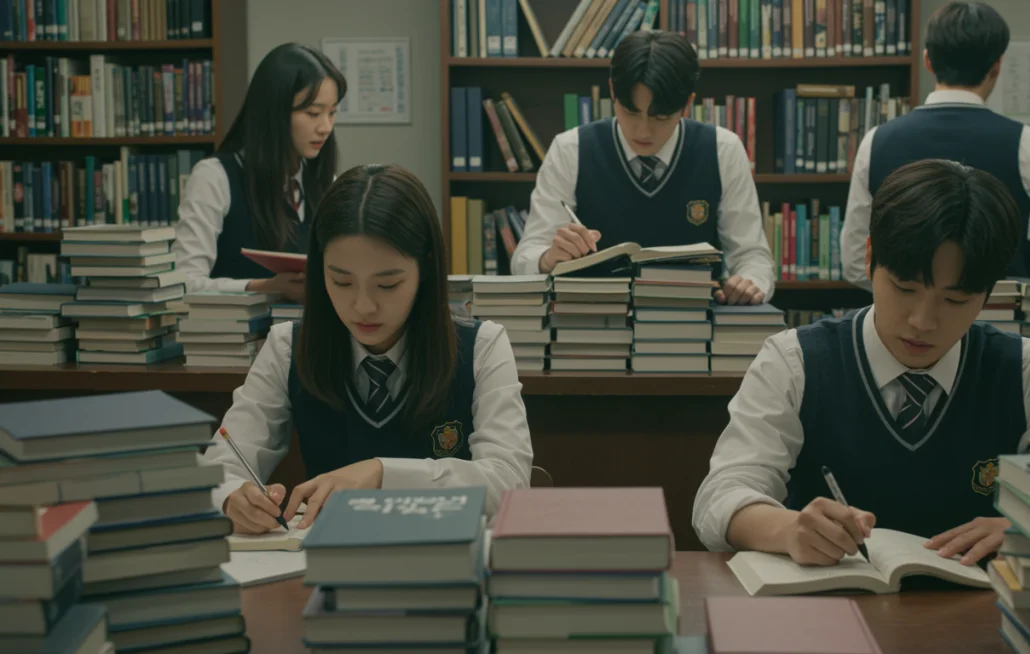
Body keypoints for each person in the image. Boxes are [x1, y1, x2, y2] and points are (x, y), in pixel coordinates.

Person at [692, 159, 1030, 568]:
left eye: (954, 301)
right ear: (870, 257)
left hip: (981, 616)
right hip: (832, 613)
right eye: (904, 288)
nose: (922, 322)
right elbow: (721, 496)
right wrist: (787, 529)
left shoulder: (1029, 373)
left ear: (988, 292)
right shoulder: (794, 361)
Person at [203, 164, 534, 533]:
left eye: (387, 285)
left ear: (424, 269)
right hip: (324, 569)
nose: (363, 307)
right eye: (341, 282)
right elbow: (219, 469)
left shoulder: (482, 347)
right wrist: (232, 497)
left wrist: (382, 473)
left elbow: (509, 484)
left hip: (445, 564)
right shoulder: (286, 347)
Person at [510, 30, 775, 305]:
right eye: (630, 111)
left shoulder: (724, 149)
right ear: (613, 91)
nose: (643, 130)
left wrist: (750, 283)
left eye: (660, 117)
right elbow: (524, 259)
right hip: (591, 328)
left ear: (687, 104)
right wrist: (547, 259)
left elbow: (752, 257)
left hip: (694, 328)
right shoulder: (570, 149)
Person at [840, 1, 1030, 288]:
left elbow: (856, 265)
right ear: (997, 66)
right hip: (999, 322)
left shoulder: (876, 142)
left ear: (928, 61)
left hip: (905, 325)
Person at [174, 42, 346, 304]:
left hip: (306, 339)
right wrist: (262, 287)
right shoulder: (215, 177)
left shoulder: (326, 184)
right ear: (274, 113)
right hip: (232, 340)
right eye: (313, 113)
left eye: (332, 113)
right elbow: (184, 282)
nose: (326, 127)